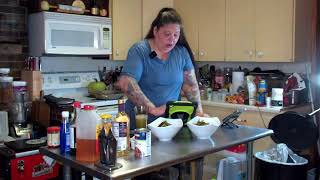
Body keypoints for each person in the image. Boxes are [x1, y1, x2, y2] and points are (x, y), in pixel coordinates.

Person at [116, 7, 208, 130]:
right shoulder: (139, 50)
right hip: (140, 122)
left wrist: (198, 113)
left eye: (176, 35)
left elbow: (190, 85)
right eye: (167, 34)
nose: (172, 39)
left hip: (171, 125)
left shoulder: (181, 53)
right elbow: (126, 82)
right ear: (155, 31)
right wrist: (153, 109)